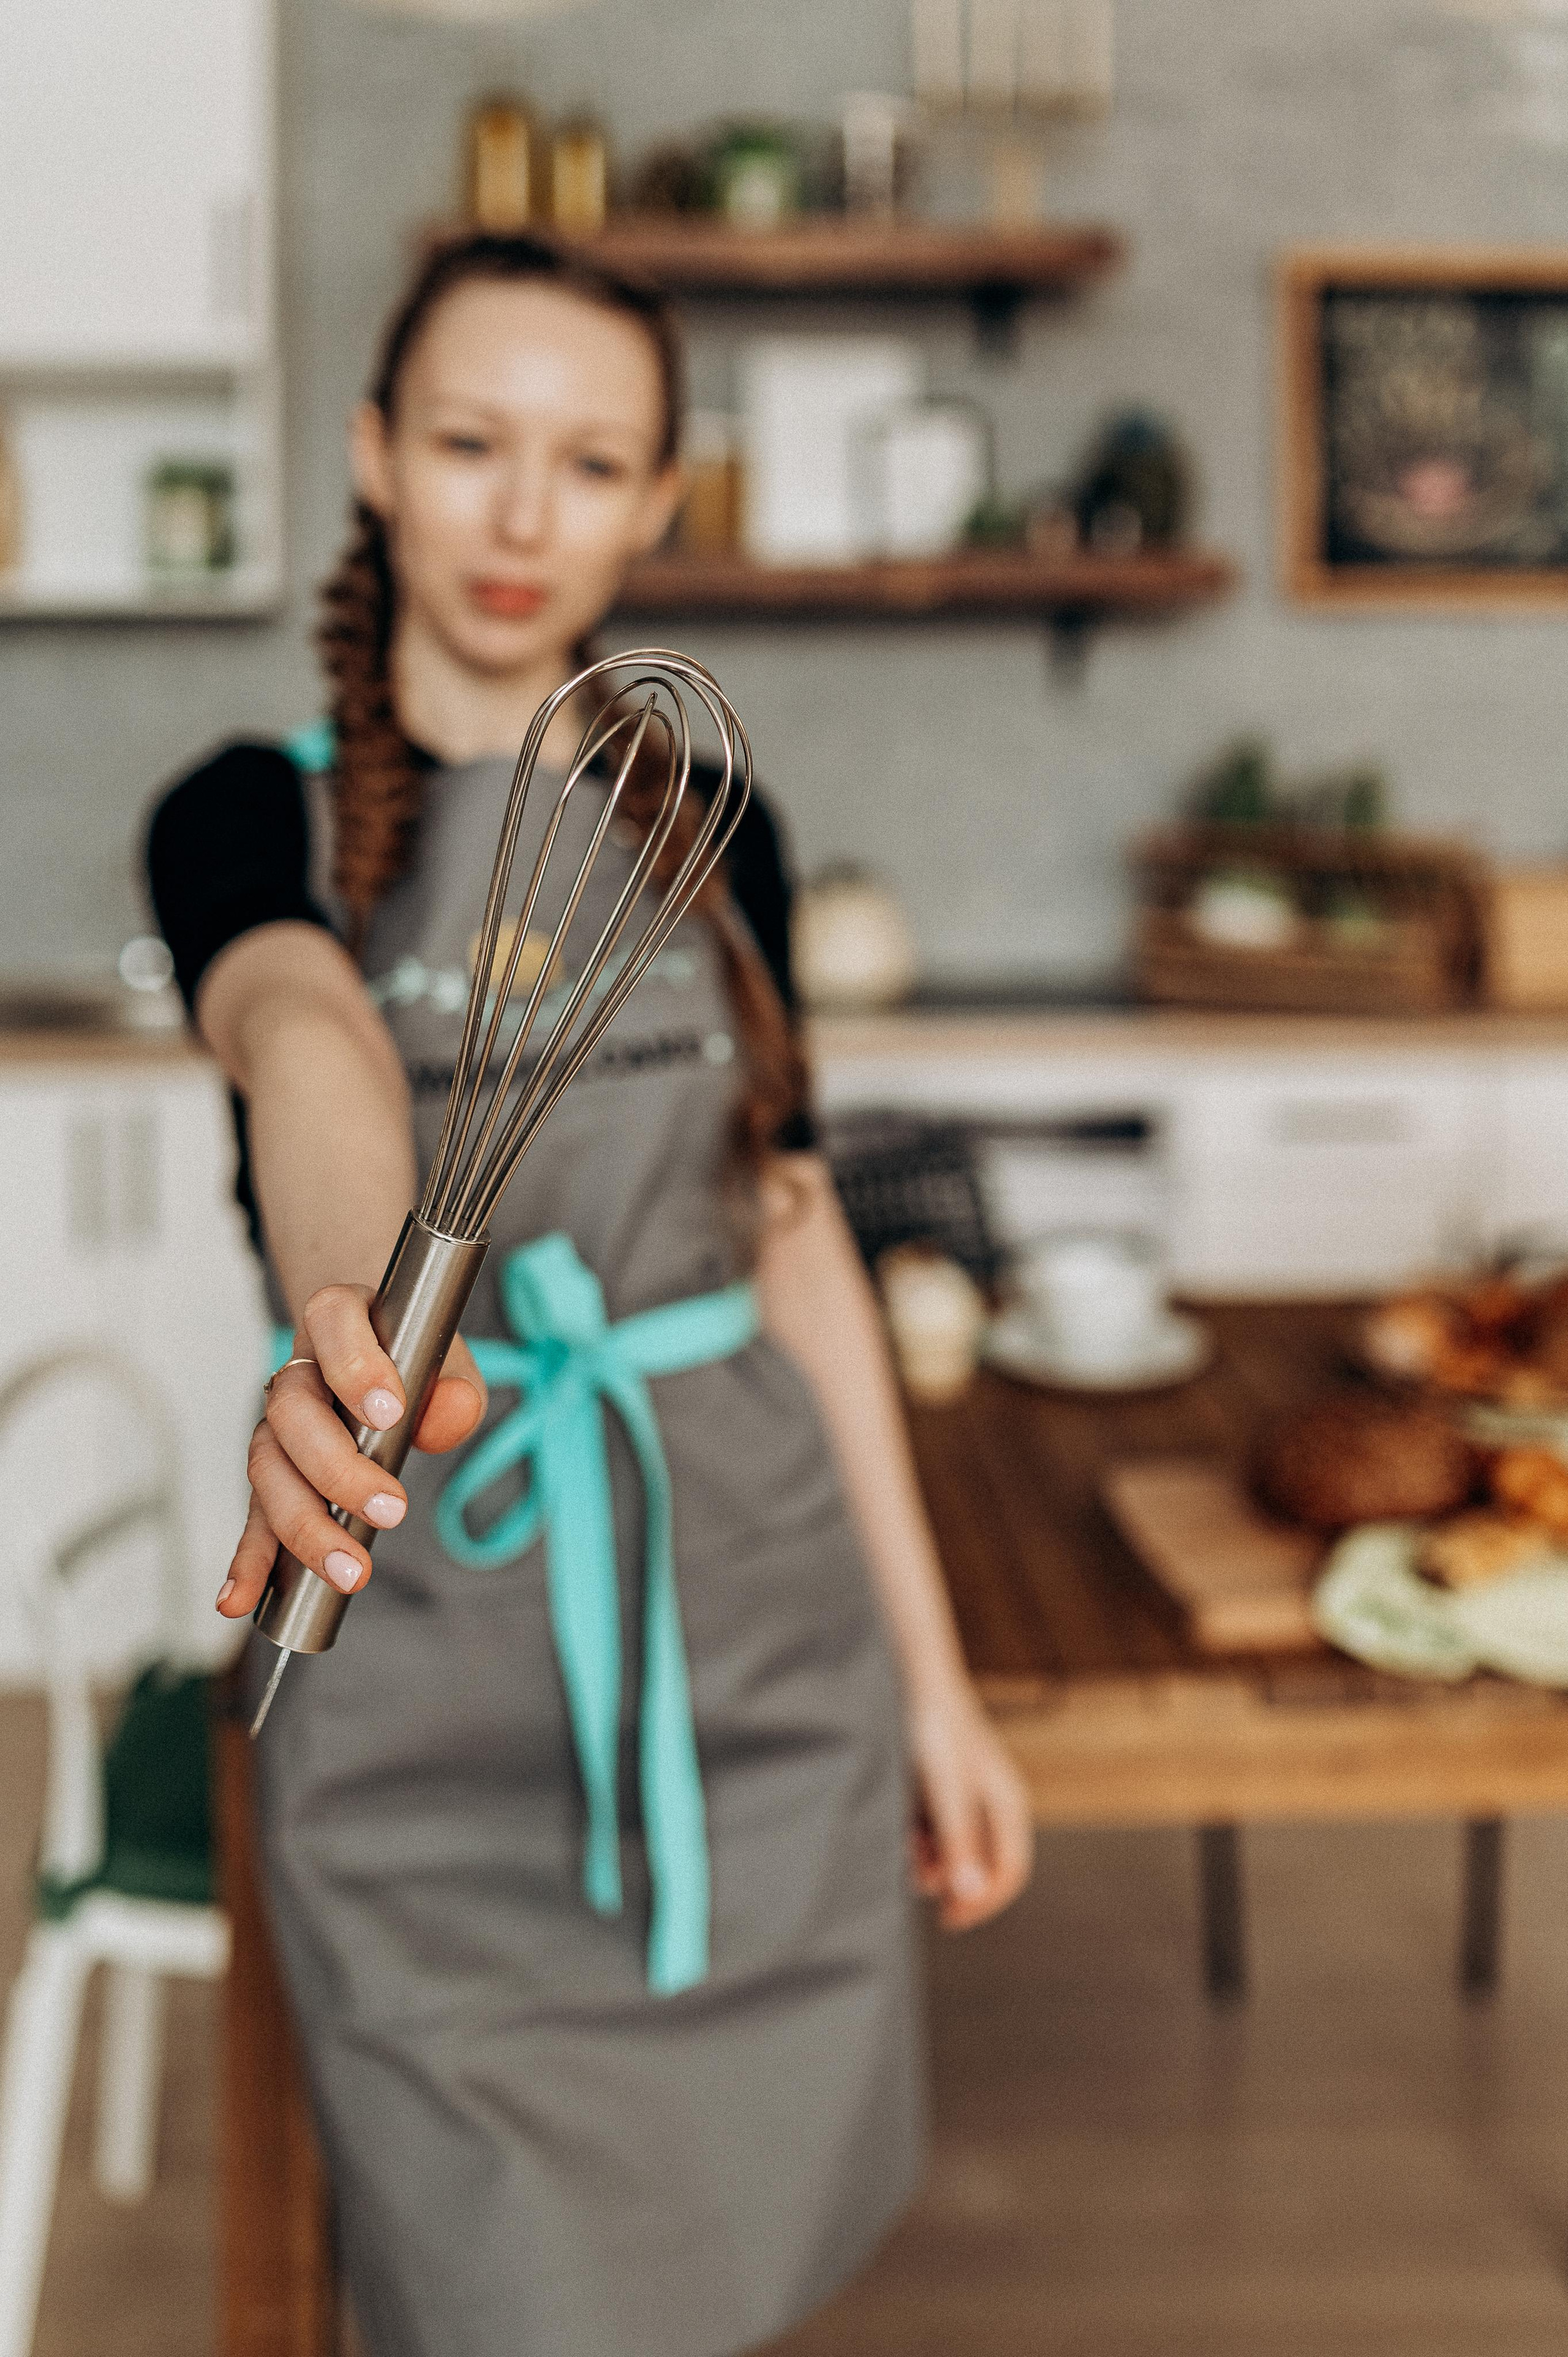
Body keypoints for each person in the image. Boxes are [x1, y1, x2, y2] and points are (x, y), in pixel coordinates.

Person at [148, 231, 1031, 2357]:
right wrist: (363, 1317)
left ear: (657, 500)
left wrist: (932, 1682)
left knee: (736, 2254)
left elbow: (790, 1237)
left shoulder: (721, 824)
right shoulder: (245, 821)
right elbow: (303, 1037)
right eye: (470, 443)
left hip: (753, 1632)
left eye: (592, 459)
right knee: (497, 2283)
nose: (524, 514)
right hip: (424, 1663)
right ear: (375, 456)